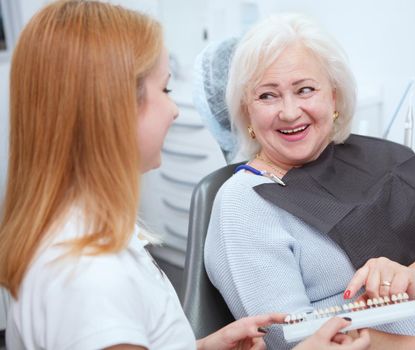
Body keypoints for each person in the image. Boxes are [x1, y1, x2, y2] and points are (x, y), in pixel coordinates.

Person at [0, 2, 370, 350]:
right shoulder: (91, 281)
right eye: (165, 89)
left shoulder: (80, 240)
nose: (174, 109)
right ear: (110, 111)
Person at [203, 13, 415, 350]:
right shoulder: (245, 203)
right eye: (267, 95)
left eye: (305, 89)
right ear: (246, 111)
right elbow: (294, 338)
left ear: (335, 97)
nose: (289, 111)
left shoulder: (375, 155)